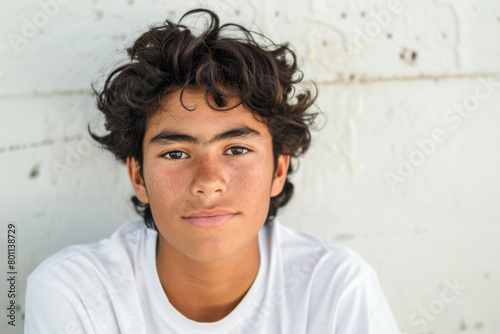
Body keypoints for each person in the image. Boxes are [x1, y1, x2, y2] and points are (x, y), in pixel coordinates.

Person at [24, 8, 401, 334]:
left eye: (236, 149)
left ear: (278, 171)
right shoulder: (74, 294)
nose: (208, 183)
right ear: (138, 176)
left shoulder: (336, 289)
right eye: (175, 153)